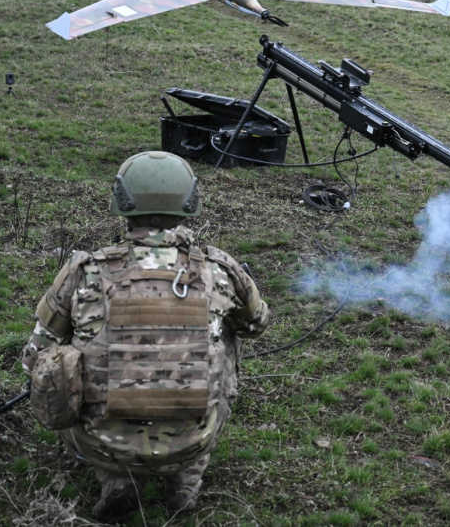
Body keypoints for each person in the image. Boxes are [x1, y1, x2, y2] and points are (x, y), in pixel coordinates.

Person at [21, 151, 272, 521]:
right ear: (190, 201)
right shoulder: (220, 269)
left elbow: (34, 357)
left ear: (123, 202)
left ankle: (115, 479)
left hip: (99, 444)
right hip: (195, 439)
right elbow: (257, 324)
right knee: (225, 338)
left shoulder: (84, 270)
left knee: (64, 359)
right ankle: (186, 480)